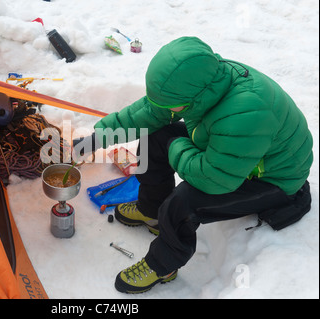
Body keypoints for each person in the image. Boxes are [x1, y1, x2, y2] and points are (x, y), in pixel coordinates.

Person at [73, 36, 313, 294]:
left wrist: (176, 146)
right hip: (236, 153)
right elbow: (153, 111)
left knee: (184, 201)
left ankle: (163, 265)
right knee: (154, 137)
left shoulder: (245, 112)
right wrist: (99, 138)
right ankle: (151, 210)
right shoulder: (206, 83)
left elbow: (212, 179)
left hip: (272, 180)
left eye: (170, 101)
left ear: (194, 98)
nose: (165, 106)